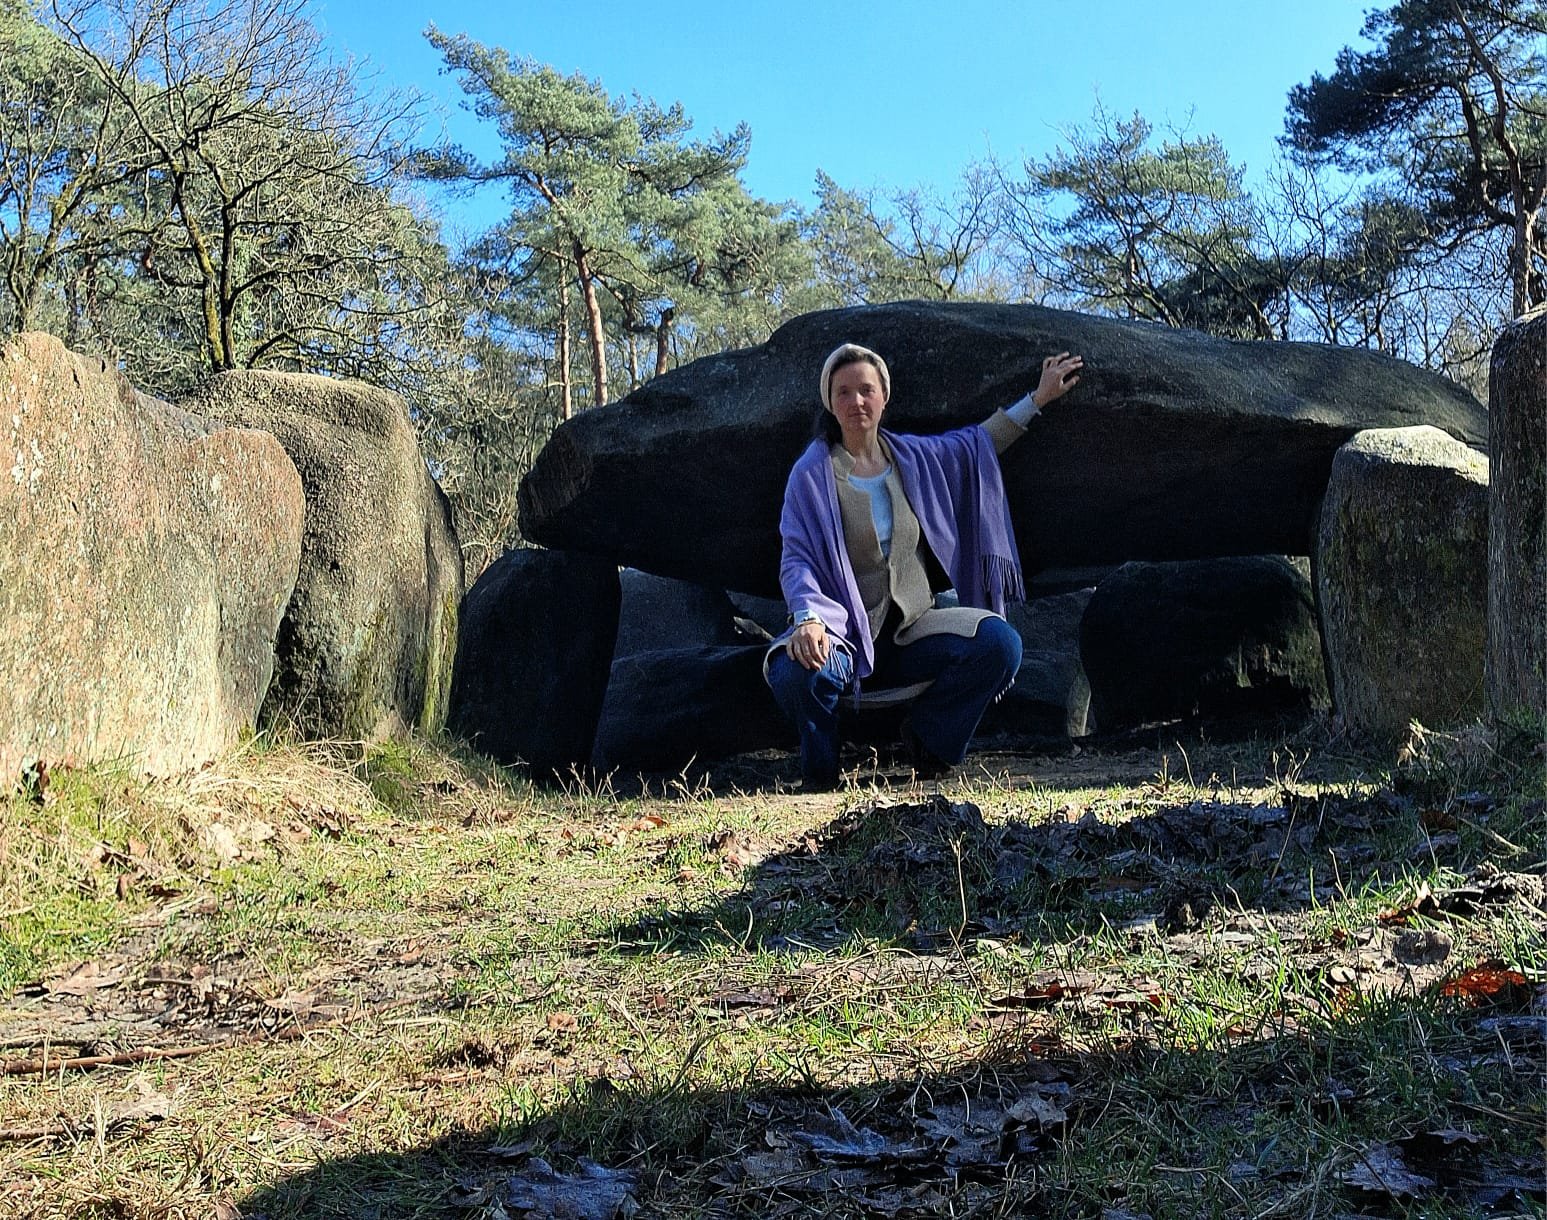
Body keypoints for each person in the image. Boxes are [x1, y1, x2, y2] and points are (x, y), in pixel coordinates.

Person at [766, 342, 1084, 791]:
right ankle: (821, 774)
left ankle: (929, 742)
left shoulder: (913, 458)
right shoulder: (810, 475)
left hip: (911, 630)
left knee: (1000, 644)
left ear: (883, 397)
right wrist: (807, 617)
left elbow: (977, 444)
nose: (856, 401)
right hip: (841, 633)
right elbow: (796, 556)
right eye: (843, 392)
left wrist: (1039, 398)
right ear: (830, 403)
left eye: (866, 390)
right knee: (794, 672)